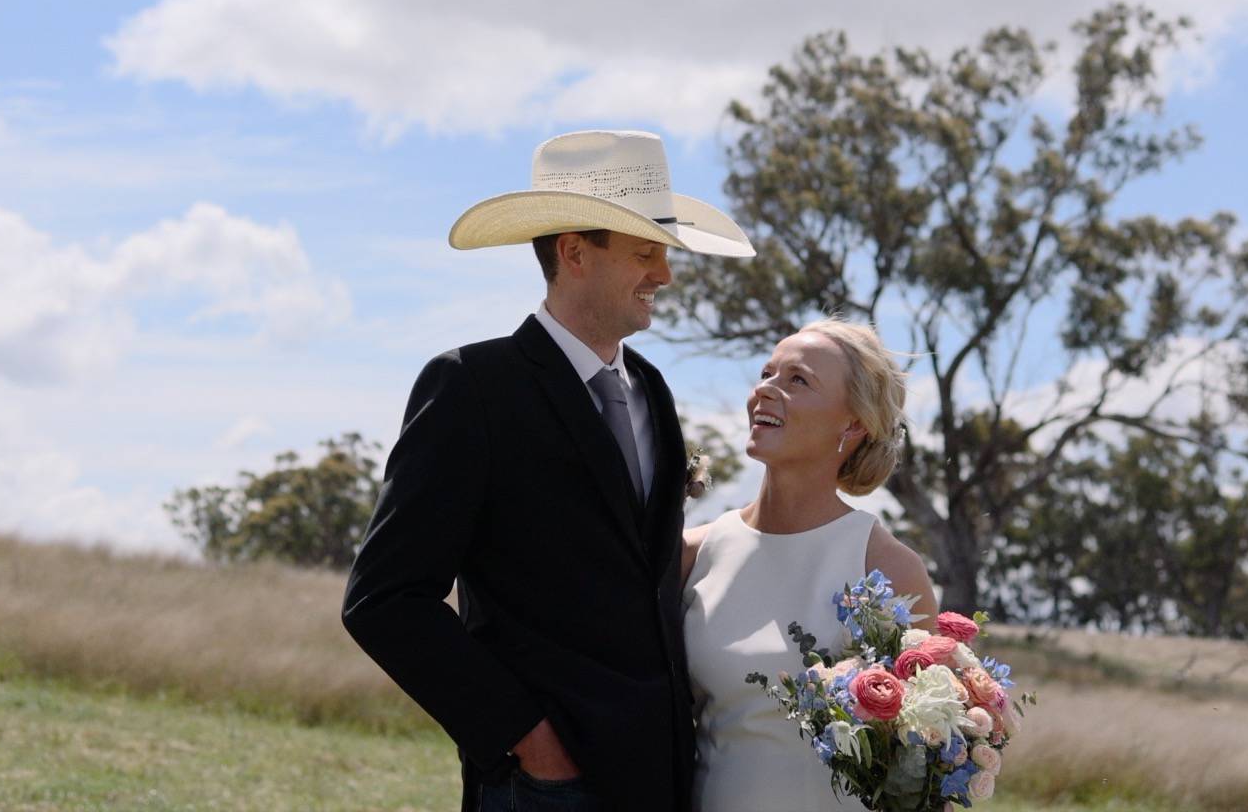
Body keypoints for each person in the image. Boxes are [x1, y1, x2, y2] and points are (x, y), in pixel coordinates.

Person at [343, 129, 755, 812]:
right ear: (574, 253)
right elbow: (384, 600)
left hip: (663, 780)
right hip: (544, 790)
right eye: (645, 251)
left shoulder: (653, 388)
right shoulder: (473, 386)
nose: (666, 274)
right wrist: (527, 740)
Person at [681, 319, 936, 812]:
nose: (765, 391)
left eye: (797, 380)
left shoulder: (888, 569)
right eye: (767, 373)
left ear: (855, 423)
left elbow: (926, 770)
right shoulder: (692, 554)